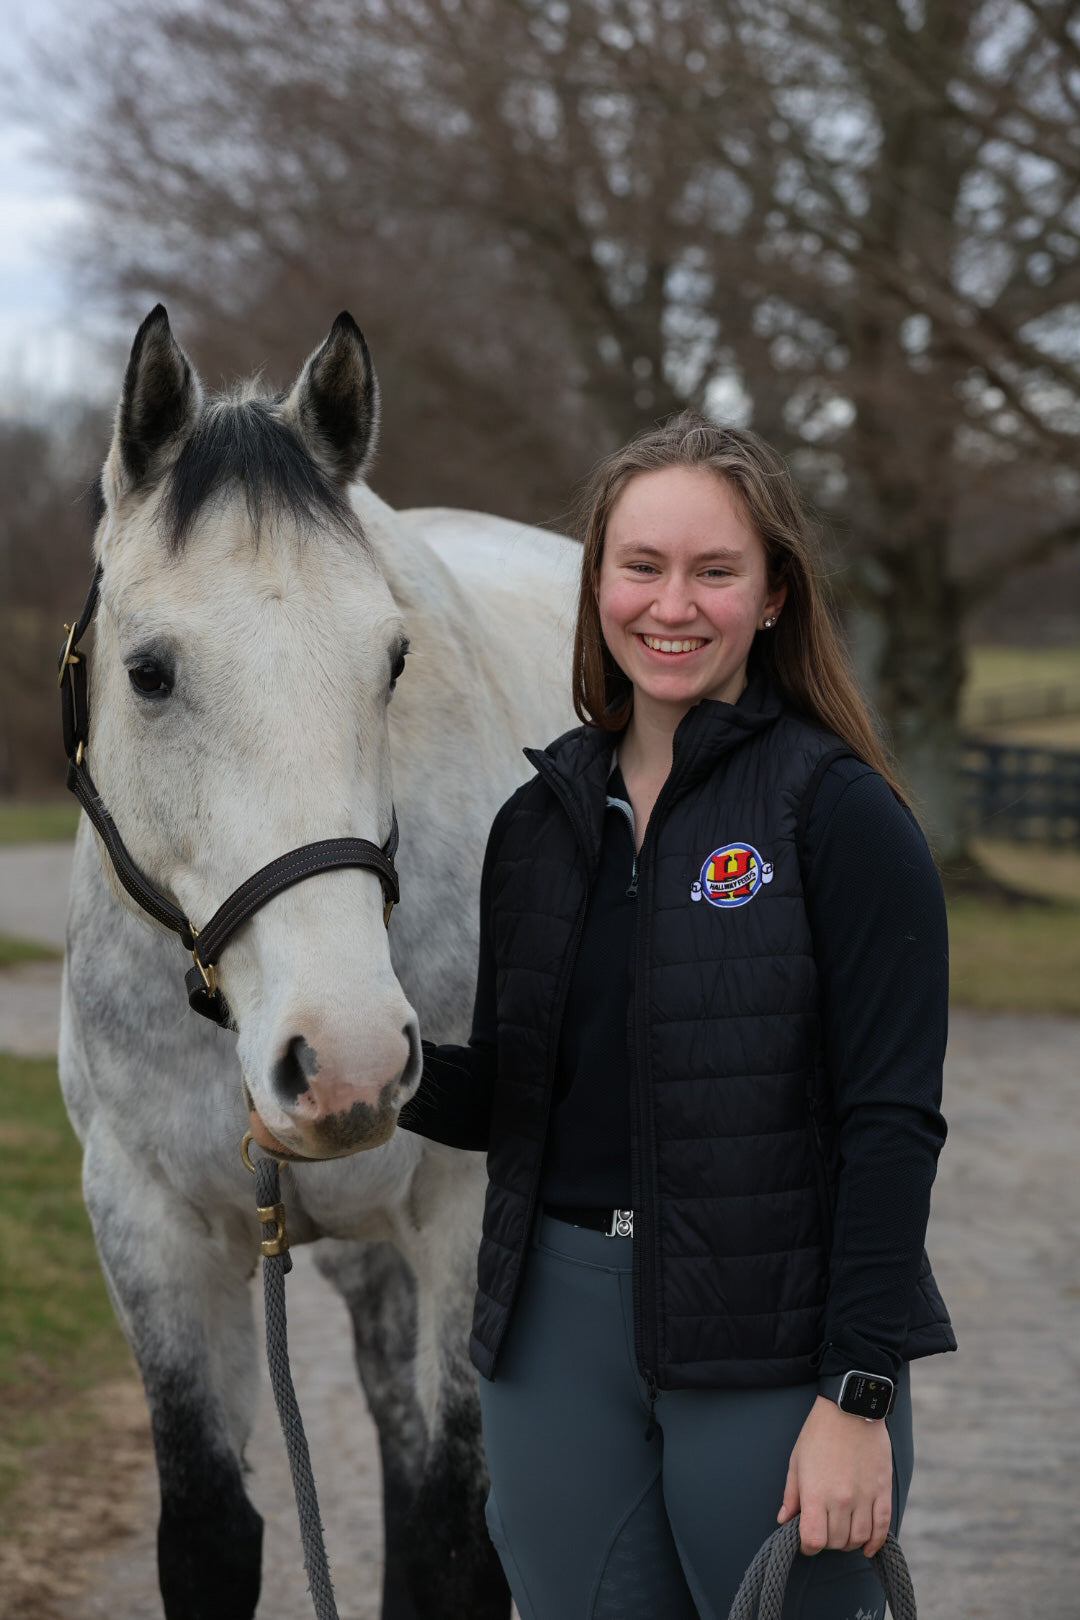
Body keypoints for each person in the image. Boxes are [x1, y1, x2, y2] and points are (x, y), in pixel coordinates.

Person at [399, 413, 955, 1620]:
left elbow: (892, 1125)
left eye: (715, 571)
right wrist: (377, 1083)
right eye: (642, 566)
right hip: (552, 1338)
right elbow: (513, 1092)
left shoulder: (841, 815)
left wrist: (857, 1398)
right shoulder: (535, 826)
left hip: (772, 1333)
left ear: (772, 597)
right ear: (597, 578)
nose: (673, 604)